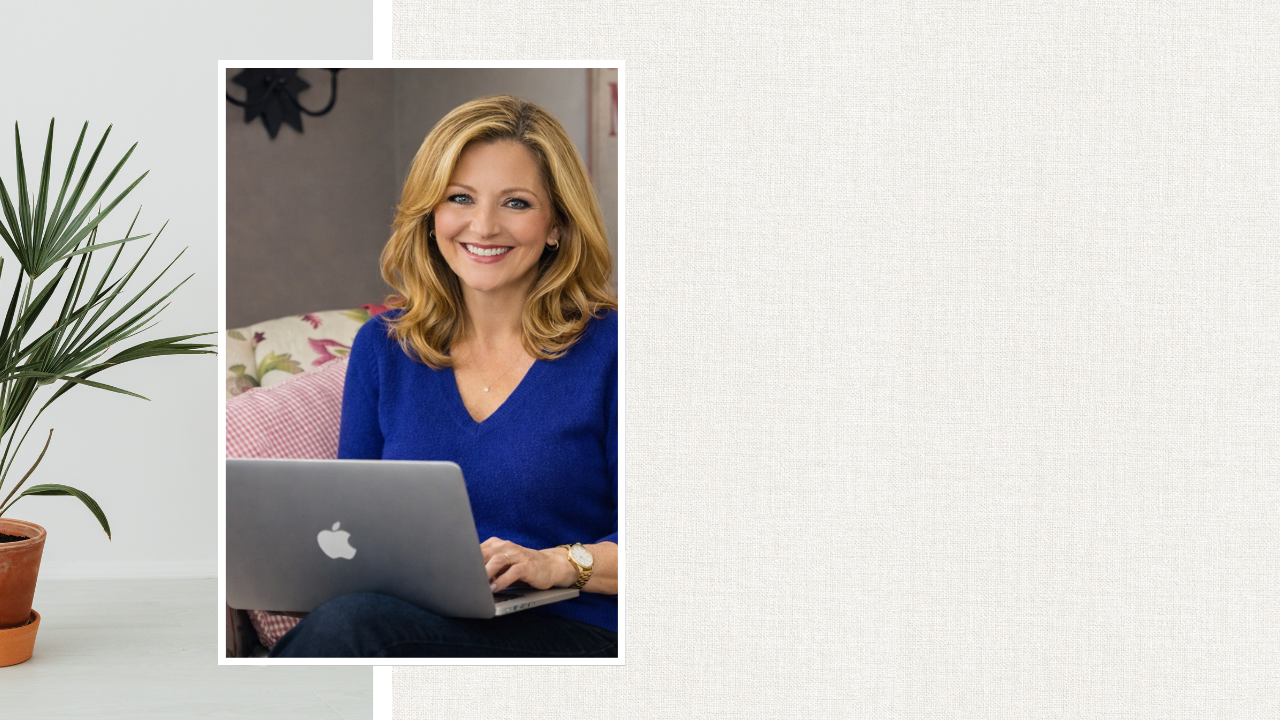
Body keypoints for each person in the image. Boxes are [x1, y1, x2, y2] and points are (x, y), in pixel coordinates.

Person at [270, 95, 618, 658]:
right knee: (347, 622)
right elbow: (348, 528)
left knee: (351, 630)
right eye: (460, 198)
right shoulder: (383, 350)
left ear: (556, 224)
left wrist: (553, 563)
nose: (483, 225)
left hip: (576, 629)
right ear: (432, 216)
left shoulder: (615, 349)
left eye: (516, 203)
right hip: (420, 624)